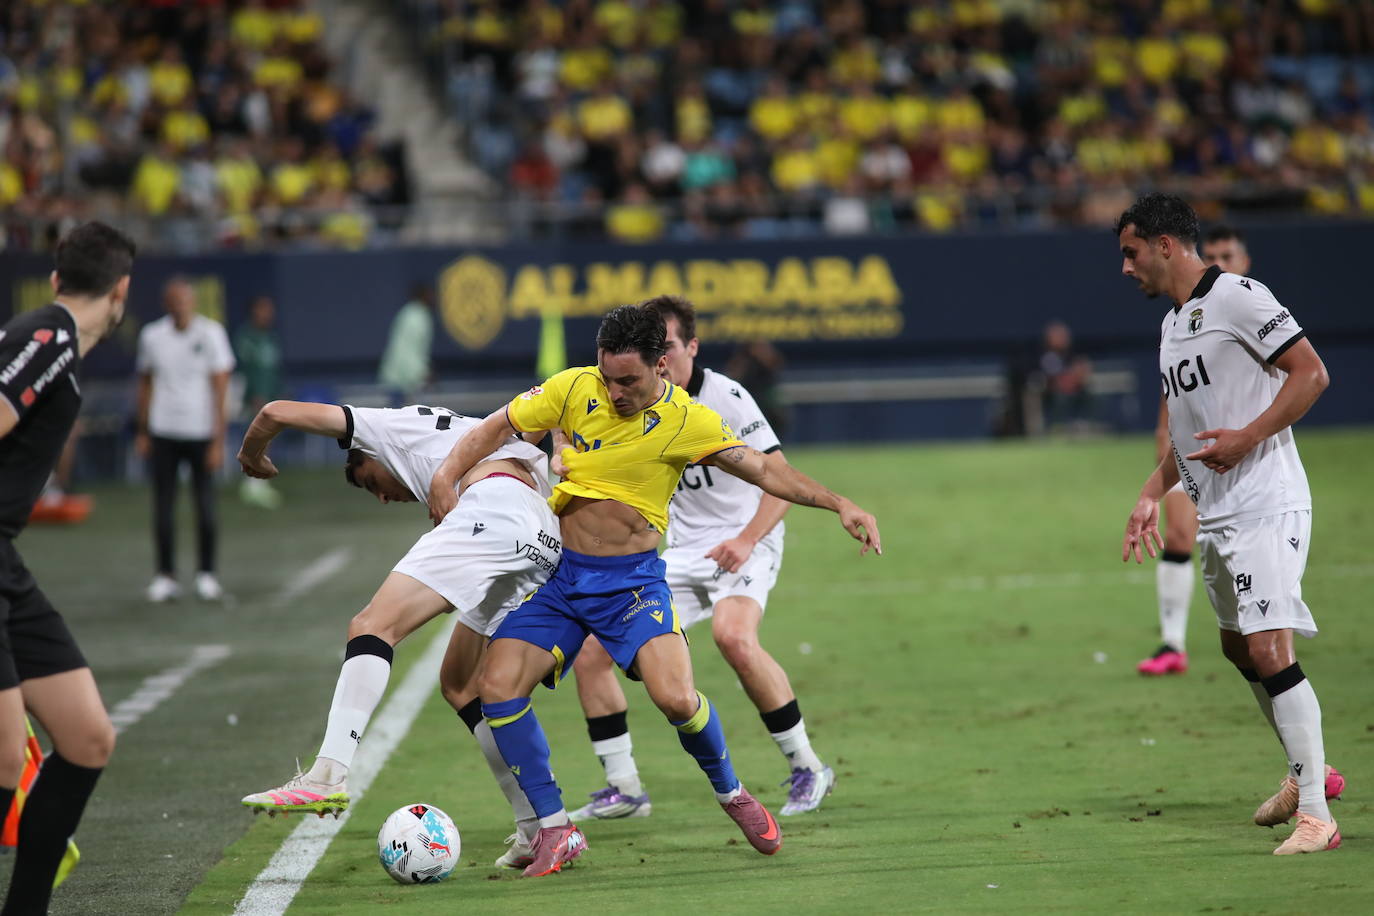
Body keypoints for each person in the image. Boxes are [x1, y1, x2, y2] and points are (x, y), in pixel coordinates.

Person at [427, 304, 881, 878]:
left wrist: (840, 503)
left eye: (629, 381)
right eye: (607, 376)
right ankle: (555, 826)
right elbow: (497, 426)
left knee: (675, 699)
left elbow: (769, 473)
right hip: (564, 579)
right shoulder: (572, 389)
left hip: (632, 585)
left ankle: (732, 792)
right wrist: (445, 475)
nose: (614, 391)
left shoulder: (688, 419)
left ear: (662, 366)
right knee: (496, 688)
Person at [234, 399, 560, 867]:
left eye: (371, 483)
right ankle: (536, 826)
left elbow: (274, 412)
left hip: (494, 511)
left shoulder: (385, 428)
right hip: (540, 533)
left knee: (371, 626)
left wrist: (252, 455)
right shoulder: (463, 431)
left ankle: (327, 773)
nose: (384, 497)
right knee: (461, 685)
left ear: (369, 453)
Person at [1117, 193, 1344, 855]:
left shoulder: (1240, 297)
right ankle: (1309, 775)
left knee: (1271, 648)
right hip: (1215, 510)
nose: (1125, 268)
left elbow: (1312, 375)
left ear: (1164, 244)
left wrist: (1248, 436)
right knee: (1239, 649)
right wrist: (1151, 493)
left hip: (1265, 501)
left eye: (1131, 254)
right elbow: (1186, 434)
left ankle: (1316, 816)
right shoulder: (1173, 325)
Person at [566, 296, 833, 824]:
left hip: (746, 537)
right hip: (684, 551)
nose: (661, 360)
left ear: (691, 348)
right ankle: (623, 786)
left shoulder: (725, 398)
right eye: (654, 350)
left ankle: (807, 766)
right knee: (593, 653)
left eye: (668, 348)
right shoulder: (635, 403)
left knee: (733, 637)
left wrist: (748, 540)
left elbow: (777, 480)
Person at [0, 221, 132, 913]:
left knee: (85, 737)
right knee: (0, 770)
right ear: (121, 290)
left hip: (5, 563)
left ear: (56, 278)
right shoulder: (50, 338)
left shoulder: (51, 343)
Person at [1138, 225, 1253, 675]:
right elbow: (1176, 390)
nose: (1220, 262)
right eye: (1213, 255)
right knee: (1179, 535)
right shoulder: (1182, 318)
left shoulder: (1252, 311)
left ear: (1245, 262)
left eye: (1229, 254)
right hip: (1193, 453)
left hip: (1248, 463)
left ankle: (1262, 629)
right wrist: (1164, 439)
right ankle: (1172, 643)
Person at [135, 278, 235, 602]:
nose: (179, 306)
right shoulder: (152, 336)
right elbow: (146, 383)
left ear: (193, 301)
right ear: (166, 303)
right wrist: (143, 430)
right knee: (163, 507)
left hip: (200, 431)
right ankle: (165, 576)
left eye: (184, 300)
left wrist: (219, 440)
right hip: (163, 430)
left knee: (205, 506)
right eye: (173, 301)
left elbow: (221, 386)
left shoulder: (211, 334)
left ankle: (207, 574)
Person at [234, 295, 284, 509]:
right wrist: (254, 394)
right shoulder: (246, 337)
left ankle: (258, 482)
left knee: (267, 439)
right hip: (252, 399)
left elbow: (273, 371)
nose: (267, 313)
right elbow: (245, 369)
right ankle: (251, 483)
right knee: (254, 437)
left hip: (271, 398)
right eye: (262, 308)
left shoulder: (271, 338)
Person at [378, 285, 436, 404]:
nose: (433, 298)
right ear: (422, 296)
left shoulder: (409, 312)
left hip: (399, 377)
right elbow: (409, 351)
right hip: (403, 380)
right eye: (430, 295)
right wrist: (421, 374)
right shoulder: (417, 317)